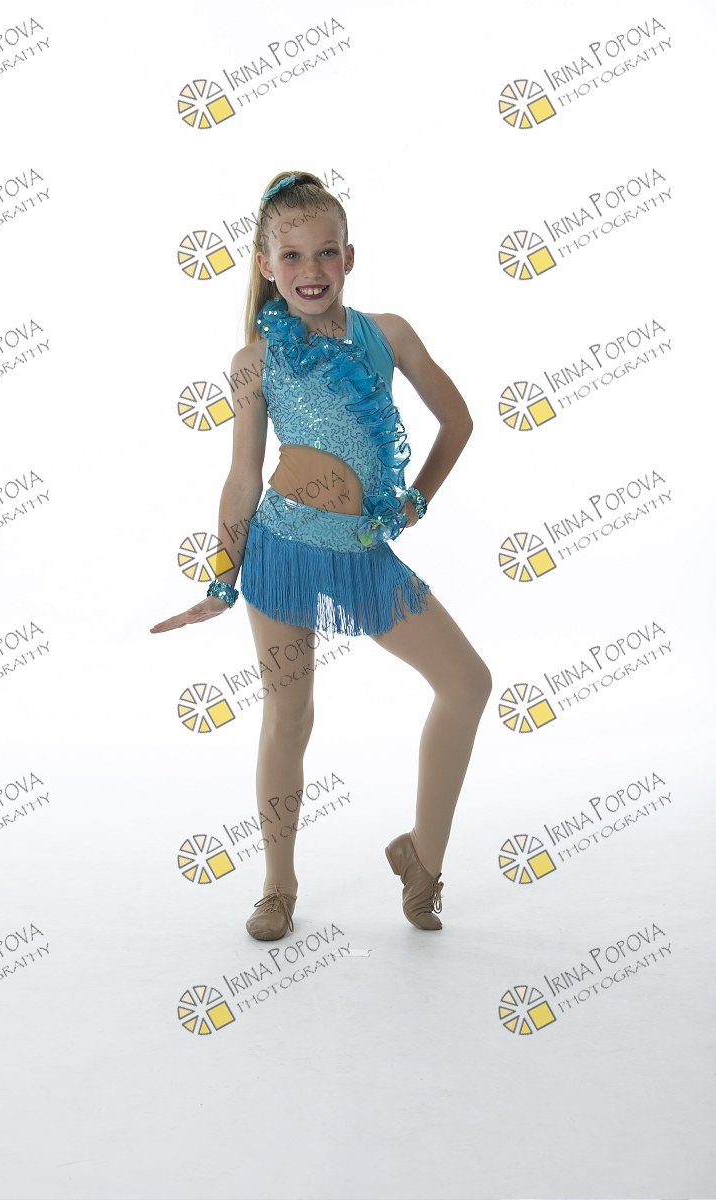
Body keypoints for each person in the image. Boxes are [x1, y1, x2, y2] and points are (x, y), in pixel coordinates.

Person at [151, 171, 492, 940]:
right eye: (293, 255)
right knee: (290, 714)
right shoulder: (255, 360)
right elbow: (242, 478)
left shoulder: (389, 335)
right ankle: (278, 885)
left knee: (467, 683)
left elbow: (459, 421)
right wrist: (220, 580)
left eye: (326, 252)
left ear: (349, 256)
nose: (312, 269)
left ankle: (422, 860)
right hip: (282, 553)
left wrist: (415, 500)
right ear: (266, 265)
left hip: (362, 554)